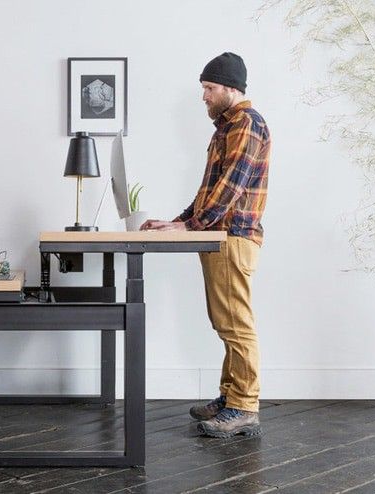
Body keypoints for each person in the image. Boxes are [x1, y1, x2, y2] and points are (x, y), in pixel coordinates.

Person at [141, 52, 270, 438]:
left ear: (232, 88)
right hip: (219, 235)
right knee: (225, 322)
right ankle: (231, 398)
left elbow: (229, 190)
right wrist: (180, 222)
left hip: (232, 237)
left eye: (209, 88)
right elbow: (210, 192)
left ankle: (244, 407)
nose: (204, 96)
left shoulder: (246, 123)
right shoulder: (226, 128)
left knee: (236, 325)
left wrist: (191, 226)